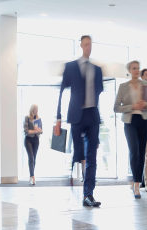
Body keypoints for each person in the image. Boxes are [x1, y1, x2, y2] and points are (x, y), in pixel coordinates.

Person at [54, 35, 103, 207]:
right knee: (78, 153)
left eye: (91, 44)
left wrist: (99, 118)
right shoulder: (71, 67)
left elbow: (98, 96)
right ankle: (70, 182)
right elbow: (61, 92)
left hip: (92, 116)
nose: (89, 47)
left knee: (92, 157)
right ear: (81, 45)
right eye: (86, 44)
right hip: (75, 116)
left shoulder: (97, 70)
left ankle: (87, 195)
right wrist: (58, 118)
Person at [114, 61, 147, 199]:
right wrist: (132, 106)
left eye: (138, 68)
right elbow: (116, 107)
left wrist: (146, 104)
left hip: (143, 121)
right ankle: (137, 184)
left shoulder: (145, 85)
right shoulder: (123, 87)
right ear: (129, 70)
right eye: (134, 68)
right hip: (130, 122)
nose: (136, 71)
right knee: (134, 151)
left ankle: (137, 183)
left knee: (141, 153)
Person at [24, 104, 43, 185]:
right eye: (35, 109)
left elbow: (42, 131)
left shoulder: (39, 119)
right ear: (32, 110)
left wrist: (39, 130)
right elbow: (26, 131)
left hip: (36, 139)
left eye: (37, 109)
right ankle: (32, 176)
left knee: (34, 158)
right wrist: (34, 131)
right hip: (28, 139)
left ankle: (31, 175)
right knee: (31, 157)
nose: (36, 111)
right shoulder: (27, 118)